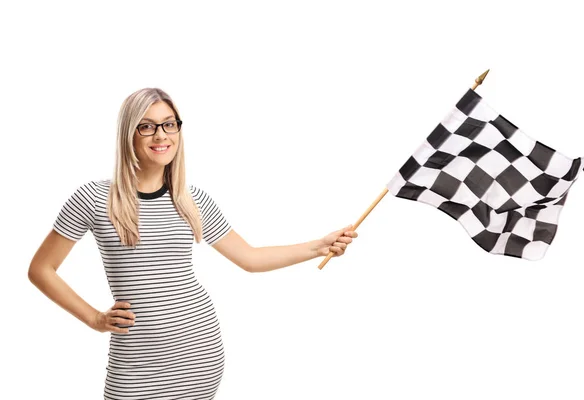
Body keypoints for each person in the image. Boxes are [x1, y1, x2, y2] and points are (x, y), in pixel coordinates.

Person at [27, 87, 358, 400]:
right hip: (134, 365)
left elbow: (251, 258)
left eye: (169, 124)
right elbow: (42, 269)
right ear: (128, 133)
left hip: (199, 357)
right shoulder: (95, 198)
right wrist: (95, 319)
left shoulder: (191, 200)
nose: (161, 135)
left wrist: (319, 246)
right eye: (147, 126)